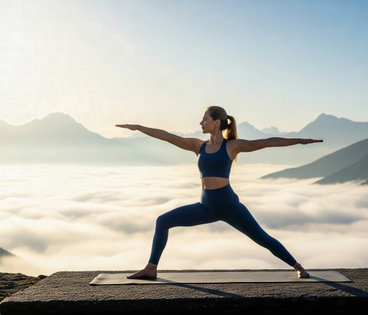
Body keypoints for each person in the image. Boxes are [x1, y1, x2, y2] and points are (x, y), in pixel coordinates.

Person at [116, 105, 323, 279]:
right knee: (162, 221)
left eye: (204, 119)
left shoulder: (232, 146)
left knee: (262, 238)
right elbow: (167, 136)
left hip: (229, 206)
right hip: (206, 206)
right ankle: (151, 268)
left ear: (217, 122)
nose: (200, 123)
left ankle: (298, 267)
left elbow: (268, 142)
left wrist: (299, 140)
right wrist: (138, 127)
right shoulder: (198, 146)